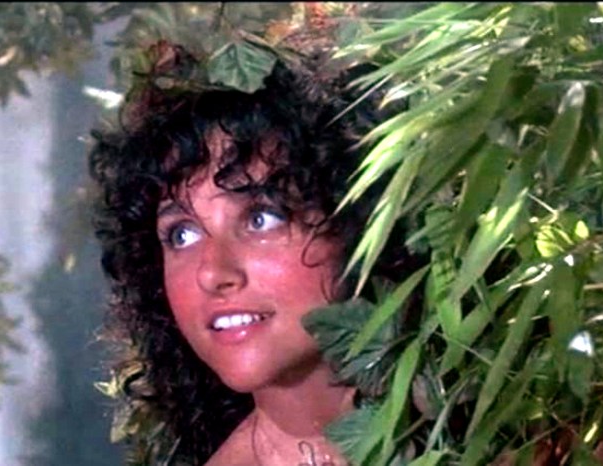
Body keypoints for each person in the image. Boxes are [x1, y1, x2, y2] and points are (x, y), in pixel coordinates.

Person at [89, 41, 407, 465]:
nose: (211, 272)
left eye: (260, 218)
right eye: (181, 235)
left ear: (359, 220)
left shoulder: (487, 424)